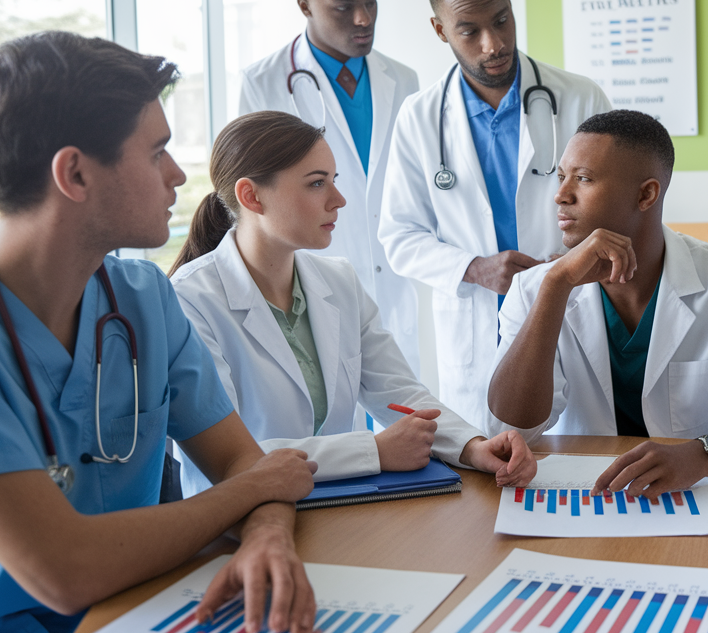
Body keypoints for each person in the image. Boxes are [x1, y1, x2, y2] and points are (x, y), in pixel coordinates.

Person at [0, 33, 317, 633]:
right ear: (76, 174)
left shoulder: (142, 299)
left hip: (146, 625)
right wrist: (253, 494)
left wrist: (266, 536)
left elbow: (242, 461)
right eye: (157, 151)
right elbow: (65, 571)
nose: (178, 174)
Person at [168, 111, 537, 496]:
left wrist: (473, 447)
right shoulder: (190, 300)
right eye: (316, 184)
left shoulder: (337, 280)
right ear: (251, 196)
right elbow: (232, 456)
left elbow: (401, 395)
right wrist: (373, 450)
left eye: (334, 181)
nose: (339, 200)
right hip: (241, 521)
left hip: (338, 507)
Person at [488, 110, 708, 499]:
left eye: (584, 179)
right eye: (561, 177)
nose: (561, 195)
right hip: (580, 495)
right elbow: (511, 426)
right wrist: (556, 285)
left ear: (646, 194)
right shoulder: (535, 288)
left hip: (689, 496)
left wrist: (702, 453)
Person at [380, 0, 611, 430]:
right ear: (440, 30)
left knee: (577, 467)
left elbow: (615, 208)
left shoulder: (581, 98)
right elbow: (399, 235)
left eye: (502, 20)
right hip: (474, 329)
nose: (494, 43)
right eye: (470, 30)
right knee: (488, 473)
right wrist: (475, 268)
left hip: (572, 316)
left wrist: (569, 266)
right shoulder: (419, 117)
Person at [238, 0, 422, 374]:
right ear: (304, 6)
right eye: (344, 7)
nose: (365, 19)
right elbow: (254, 198)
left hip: (394, 279)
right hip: (308, 273)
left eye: (372, 2)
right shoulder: (263, 83)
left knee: (407, 414)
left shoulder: (403, 79)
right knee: (331, 421)